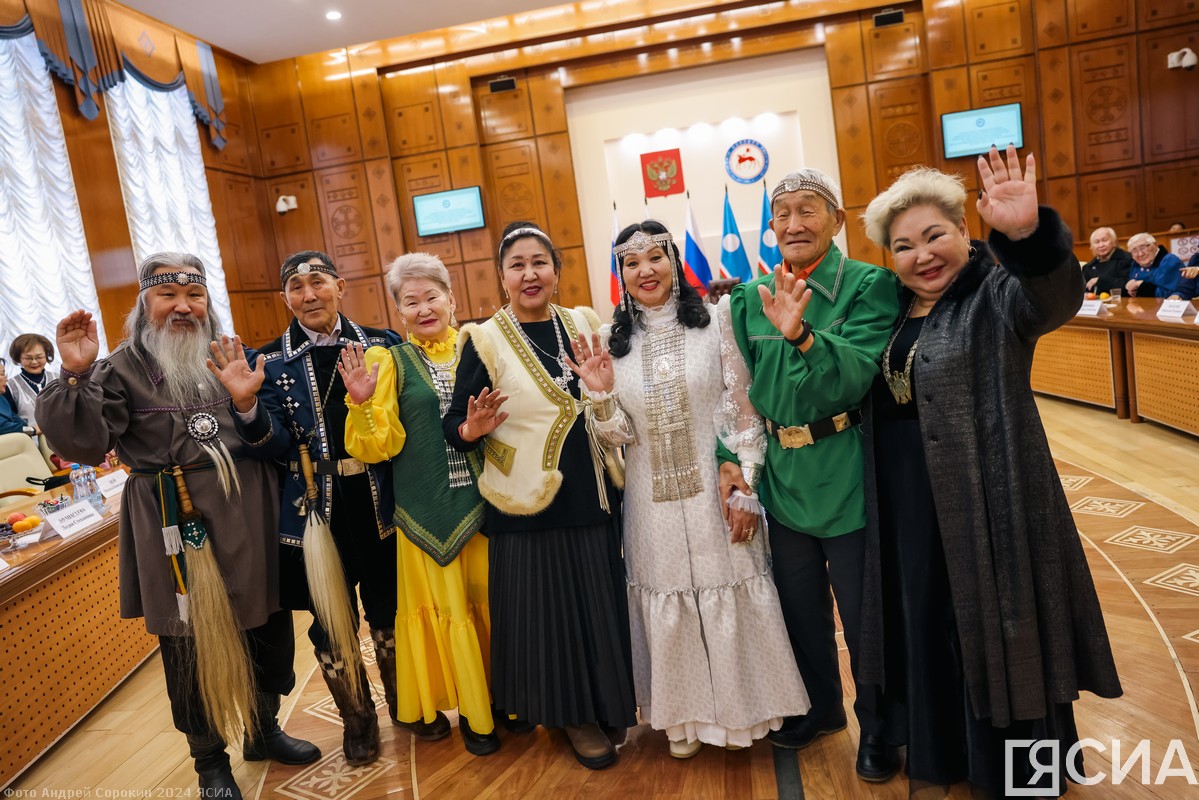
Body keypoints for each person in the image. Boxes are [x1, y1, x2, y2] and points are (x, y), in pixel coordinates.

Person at [858, 146, 1123, 797]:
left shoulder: (996, 294)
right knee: (923, 623)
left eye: (933, 235)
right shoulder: (891, 310)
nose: (921, 255)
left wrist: (1027, 235)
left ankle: (1015, 774)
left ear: (963, 231)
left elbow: (1052, 298)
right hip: (906, 501)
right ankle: (940, 756)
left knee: (995, 627)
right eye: (902, 246)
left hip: (987, 498)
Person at [39, 253, 319, 799]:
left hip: (248, 510)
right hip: (172, 519)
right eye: (168, 296)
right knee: (190, 641)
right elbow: (84, 444)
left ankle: (264, 729)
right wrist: (75, 373)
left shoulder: (230, 353)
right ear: (145, 303)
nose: (183, 307)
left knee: (266, 622)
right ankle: (209, 761)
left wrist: (246, 405)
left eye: (194, 296)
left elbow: (272, 426)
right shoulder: (118, 368)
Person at [573, 220, 809, 759]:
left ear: (674, 262)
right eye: (631, 263)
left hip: (713, 488)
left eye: (654, 257)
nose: (644, 271)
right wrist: (603, 396)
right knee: (666, 594)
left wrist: (746, 485)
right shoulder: (616, 345)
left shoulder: (717, 324)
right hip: (649, 499)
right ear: (621, 275)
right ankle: (682, 722)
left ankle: (740, 716)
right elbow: (617, 438)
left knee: (731, 582)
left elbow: (743, 406)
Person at [717, 169, 901, 781]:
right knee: (798, 608)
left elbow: (853, 376)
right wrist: (731, 460)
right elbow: (734, 392)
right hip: (780, 476)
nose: (793, 224)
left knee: (863, 609)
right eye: (782, 214)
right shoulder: (748, 298)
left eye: (807, 211)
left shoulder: (870, 285)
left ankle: (879, 725)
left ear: (837, 220)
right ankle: (821, 709)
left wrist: (799, 334)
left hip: (847, 466)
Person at [443, 221, 635, 770]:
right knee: (548, 617)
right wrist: (472, 431)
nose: (530, 274)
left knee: (597, 604)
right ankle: (572, 717)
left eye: (539, 263)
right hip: (524, 503)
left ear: (557, 270)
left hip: (592, 494)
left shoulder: (582, 323)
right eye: (517, 265)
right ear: (501, 277)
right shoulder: (482, 338)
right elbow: (455, 421)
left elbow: (608, 393)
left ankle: (608, 700)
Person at [215, 250, 404, 766]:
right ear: (286, 299)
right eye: (296, 287)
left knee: (390, 608)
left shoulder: (383, 345)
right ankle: (359, 721)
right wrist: (247, 406)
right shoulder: (268, 363)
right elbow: (271, 444)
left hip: (378, 503)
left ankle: (406, 706)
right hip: (314, 511)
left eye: (317, 282)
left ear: (340, 286)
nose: (308, 295)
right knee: (330, 619)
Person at [337, 253, 498, 756]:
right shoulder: (390, 362)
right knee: (450, 612)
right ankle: (475, 717)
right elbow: (376, 448)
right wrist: (361, 402)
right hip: (425, 514)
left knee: (496, 607)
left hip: (492, 508)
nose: (424, 308)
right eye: (411, 302)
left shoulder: (484, 345)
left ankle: (508, 702)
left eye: (432, 296)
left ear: (452, 299)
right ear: (399, 313)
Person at [7, 333, 56, 432]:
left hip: (63, 440)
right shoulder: (10, 386)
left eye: (39, 357)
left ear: (46, 356)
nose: (34, 362)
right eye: (28, 358)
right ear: (19, 358)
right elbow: (10, 422)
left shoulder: (58, 379)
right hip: (29, 443)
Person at [1125, 232, 1195, 300]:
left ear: (1155, 245)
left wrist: (1142, 286)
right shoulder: (1136, 263)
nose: (1140, 254)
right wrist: (1132, 288)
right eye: (1134, 250)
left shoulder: (1169, 261)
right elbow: (1136, 290)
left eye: (1143, 247)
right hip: (1144, 307)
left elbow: (1174, 295)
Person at [1080, 227, 1132, 297]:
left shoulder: (1127, 259)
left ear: (1114, 242)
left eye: (1104, 240)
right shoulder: (1088, 267)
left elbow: (1127, 284)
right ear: (1091, 246)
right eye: (1097, 242)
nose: (1101, 245)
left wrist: (1100, 281)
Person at [0, 358, 34, 435]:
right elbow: (2, 426)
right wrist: (32, 430)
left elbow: (20, 422)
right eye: (2, 374)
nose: (6, 379)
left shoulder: (2, 400)